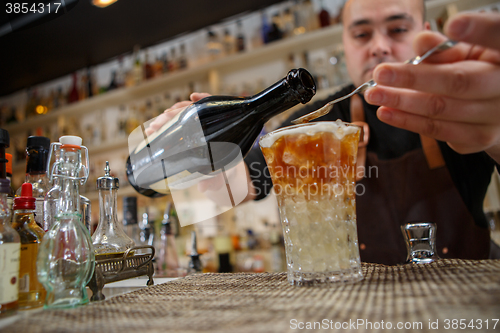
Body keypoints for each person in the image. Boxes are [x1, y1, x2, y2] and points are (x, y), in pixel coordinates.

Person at [146, 0, 500, 264]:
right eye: (361, 33)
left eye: (397, 29)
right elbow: (232, 187)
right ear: (344, 43)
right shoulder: (324, 121)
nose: (378, 45)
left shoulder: (463, 101)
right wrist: (199, 156)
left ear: (427, 30)